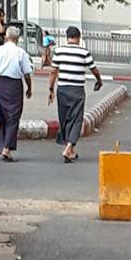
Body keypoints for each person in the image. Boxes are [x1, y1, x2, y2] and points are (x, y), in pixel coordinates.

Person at [47, 27, 103, 163]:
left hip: (62, 89)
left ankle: (71, 149)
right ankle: (69, 148)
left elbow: (53, 71)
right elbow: (93, 69)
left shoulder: (59, 51)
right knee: (76, 119)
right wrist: (99, 80)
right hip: (77, 90)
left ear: (67, 37)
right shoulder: (84, 52)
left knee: (64, 118)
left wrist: (50, 89)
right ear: (79, 37)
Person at [0, 23, 36, 161]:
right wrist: (29, 88)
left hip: (0, 84)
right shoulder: (21, 53)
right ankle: (7, 148)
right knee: (13, 117)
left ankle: (3, 146)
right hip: (14, 85)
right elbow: (27, 74)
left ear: (6, 37)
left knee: (1, 115)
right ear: (17, 38)